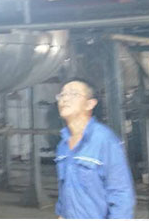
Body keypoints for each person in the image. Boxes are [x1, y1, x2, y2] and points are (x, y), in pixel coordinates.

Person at [54, 78, 135, 219]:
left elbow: (121, 194)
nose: (65, 99)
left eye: (73, 94)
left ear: (90, 104)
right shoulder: (63, 145)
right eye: (62, 95)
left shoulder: (104, 140)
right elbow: (64, 192)